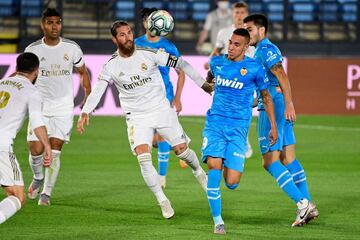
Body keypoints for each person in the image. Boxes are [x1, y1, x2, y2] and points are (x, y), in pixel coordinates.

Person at [77, 20, 212, 219]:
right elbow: (98, 90)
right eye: (122, 34)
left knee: (182, 152)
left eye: (129, 32)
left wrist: (203, 85)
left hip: (161, 110)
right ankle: (162, 200)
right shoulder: (110, 66)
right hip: (137, 117)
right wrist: (85, 111)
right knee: (143, 157)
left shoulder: (151, 54)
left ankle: (199, 172)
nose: (128, 37)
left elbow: (182, 64)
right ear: (114, 39)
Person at [243, 14, 318, 227]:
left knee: (270, 162)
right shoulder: (266, 50)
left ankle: (302, 203)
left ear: (261, 30)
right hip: (278, 103)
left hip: (274, 108)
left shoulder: (265, 50)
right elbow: (273, 81)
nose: (248, 34)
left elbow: (282, 76)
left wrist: (289, 104)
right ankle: (309, 205)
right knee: (288, 158)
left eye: (250, 30)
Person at [202, 28, 278, 234]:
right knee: (213, 166)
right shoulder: (217, 62)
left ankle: (226, 159)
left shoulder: (254, 68)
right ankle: (218, 221)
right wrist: (208, 85)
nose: (232, 47)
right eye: (230, 42)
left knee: (232, 183)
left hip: (238, 129)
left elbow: (266, 97)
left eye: (237, 44)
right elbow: (209, 78)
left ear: (246, 47)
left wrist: (273, 125)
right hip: (215, 125)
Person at [25, 8, 91, 206]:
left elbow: (83, 72)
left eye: (58, 22)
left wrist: (87, 96)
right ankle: (38, 177)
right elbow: (25, 77)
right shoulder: (33, 49)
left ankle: (47, 193)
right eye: (50, 23)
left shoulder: (71, 48)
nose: (55, 26)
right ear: (42, 25)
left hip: (63, 106)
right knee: (36, 150)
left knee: (55, 150)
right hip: (40, 106)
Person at [135, 8, 187, 188]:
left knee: (162, 137)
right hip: (143, 99)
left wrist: (178, 98)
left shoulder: (169, 47)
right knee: (153, 142)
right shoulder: (135, 45)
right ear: (144, 23)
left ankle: (162, 177)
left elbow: (181, 72)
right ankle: (181, 140)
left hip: (165, 96)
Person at [0, 52, 52, 224]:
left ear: (16, 67)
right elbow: (37, 124)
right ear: (36, 71)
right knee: (17, 197)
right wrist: (48, 147)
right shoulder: (32, 92)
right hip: (1, 146)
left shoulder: (1, 83)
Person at [206, 1, 255, 159]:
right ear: (232, 14)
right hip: (227, 76)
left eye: (242, 13)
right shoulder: (224, 32)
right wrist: (210, 62)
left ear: (247, 15)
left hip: (246, 76)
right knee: (225, 109)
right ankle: (224, 142)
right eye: (236, 13)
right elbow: (216, 51)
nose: (239, 16)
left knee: (241, 108)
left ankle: (241, 140)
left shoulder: (252, 36)